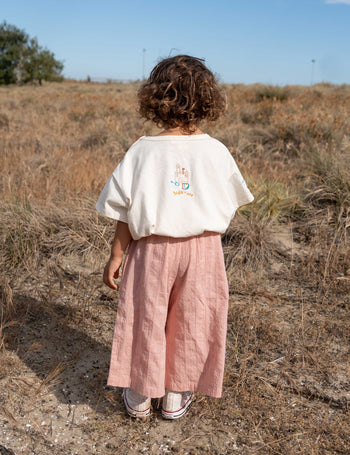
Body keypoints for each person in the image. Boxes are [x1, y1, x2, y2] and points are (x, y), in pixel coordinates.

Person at [95, 55, 254, 419]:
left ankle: (138, 393)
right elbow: (230, 201)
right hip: (203, 250)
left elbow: (123, 210)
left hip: (151, 249)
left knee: (145, 316)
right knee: (193, 318)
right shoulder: (216, 151)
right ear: (208, 99)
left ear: (155, 97)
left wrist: (117, 255)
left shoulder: (142, 150)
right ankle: (174, 393)